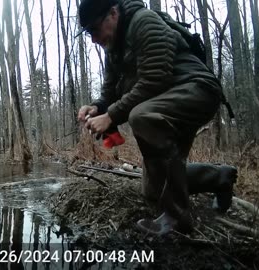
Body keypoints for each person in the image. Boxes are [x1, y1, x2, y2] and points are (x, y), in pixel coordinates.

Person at [76, 0, 237, 235]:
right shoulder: (113, 49)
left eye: (95, 30)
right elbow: (110, 93)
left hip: (198, 90)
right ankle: (219, 177)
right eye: (88, 32)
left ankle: (177, 218)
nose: (94, 39)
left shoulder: (144, 22)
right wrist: (97, 107)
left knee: (141, 116)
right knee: (153, 190)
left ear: (112, 13)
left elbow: (155, 80)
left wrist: (111, 116)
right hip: (165, 101)